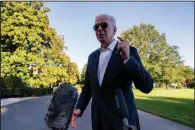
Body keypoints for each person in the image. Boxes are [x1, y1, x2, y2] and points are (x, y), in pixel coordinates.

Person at [71, 14, 154, 130]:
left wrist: (128, 59)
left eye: (104, 25)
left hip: (123, 123)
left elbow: (147, 86)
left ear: (114, 29)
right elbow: (88, 88)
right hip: (98, 122)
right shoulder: (92, 57)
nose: (99, 29)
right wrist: (79, 107)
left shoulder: (129, 51)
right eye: (96, 27)